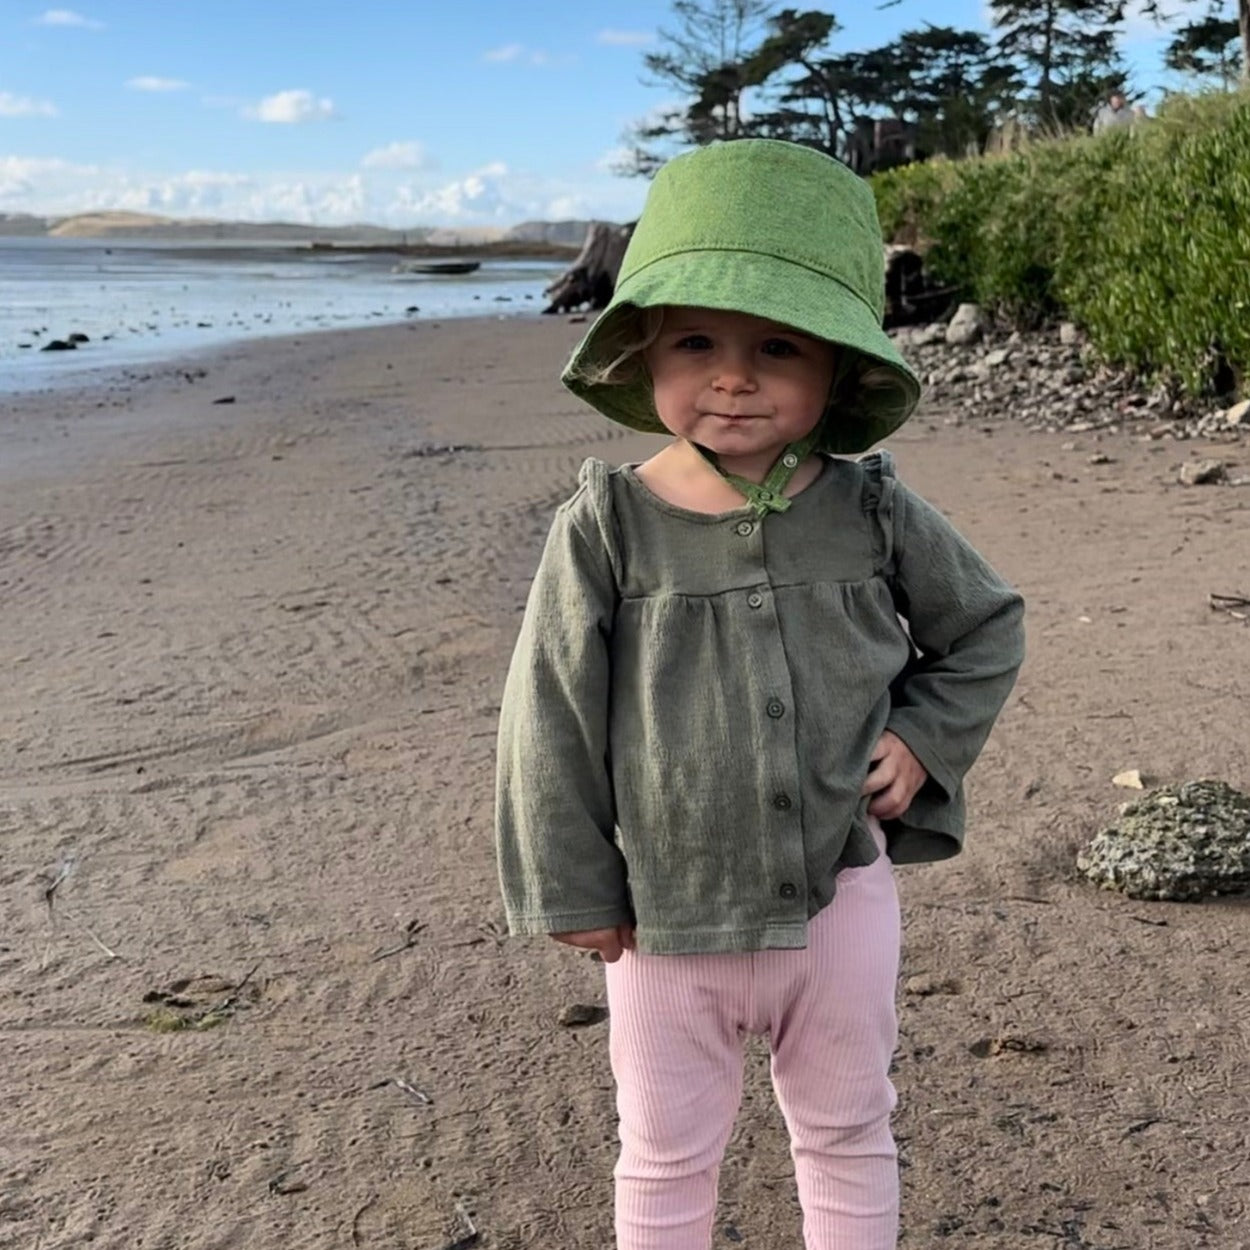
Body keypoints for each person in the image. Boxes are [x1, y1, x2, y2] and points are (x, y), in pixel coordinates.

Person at [495, 138, 1025, 1250]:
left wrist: (923, 739)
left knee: (845, 1127)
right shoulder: (604, 525)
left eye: (774, 346)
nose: (731, 374)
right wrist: (572, 882)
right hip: (661, 919)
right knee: (664, 1147)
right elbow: (546, 714)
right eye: (695, 340)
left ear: (835, 369)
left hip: (842, 896)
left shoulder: (872, 509)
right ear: (641, 352)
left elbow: (982, 624)